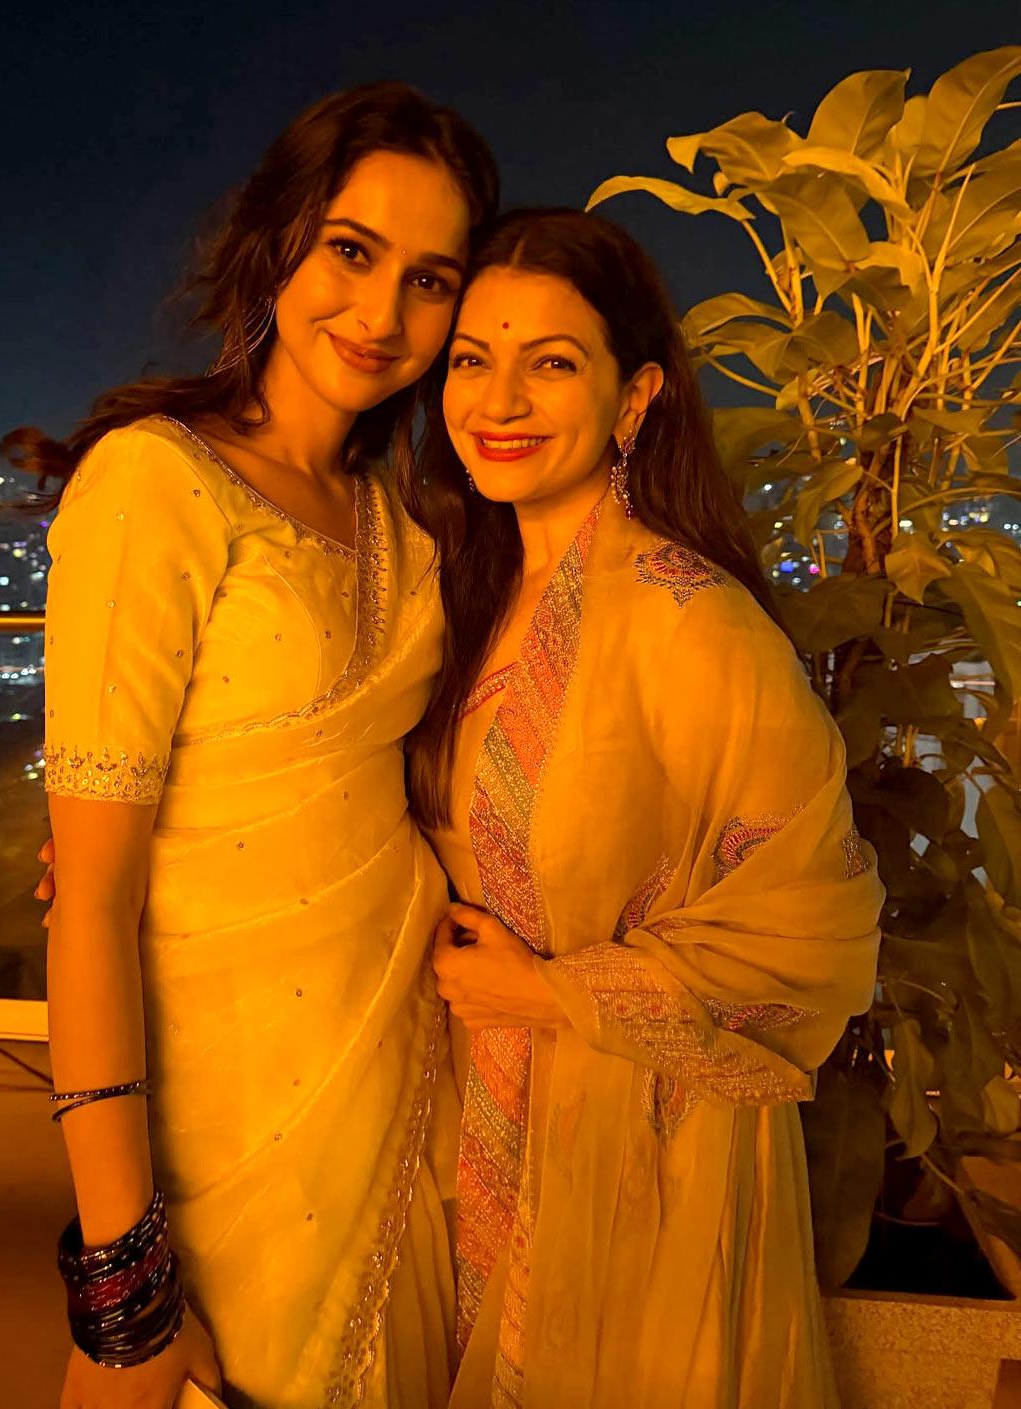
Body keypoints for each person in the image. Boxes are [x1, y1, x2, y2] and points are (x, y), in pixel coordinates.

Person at [9, 83, 498, 1409]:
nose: (382, 312)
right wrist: (122, 1282)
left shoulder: (407, 522)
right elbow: (92, 901)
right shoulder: (156, 481)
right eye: (352, 250)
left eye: (430, 278)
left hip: (400, 1075)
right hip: (222, 1123)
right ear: (276, 240)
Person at [404, 209, 884, 1408]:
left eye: (552, 362)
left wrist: (556, 992)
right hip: (476, 1116)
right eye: (472, 359)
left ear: (635, 398)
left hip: (642, 1148)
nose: (498, 400)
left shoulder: (691, 624)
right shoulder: (464, 593)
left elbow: (817, 928)